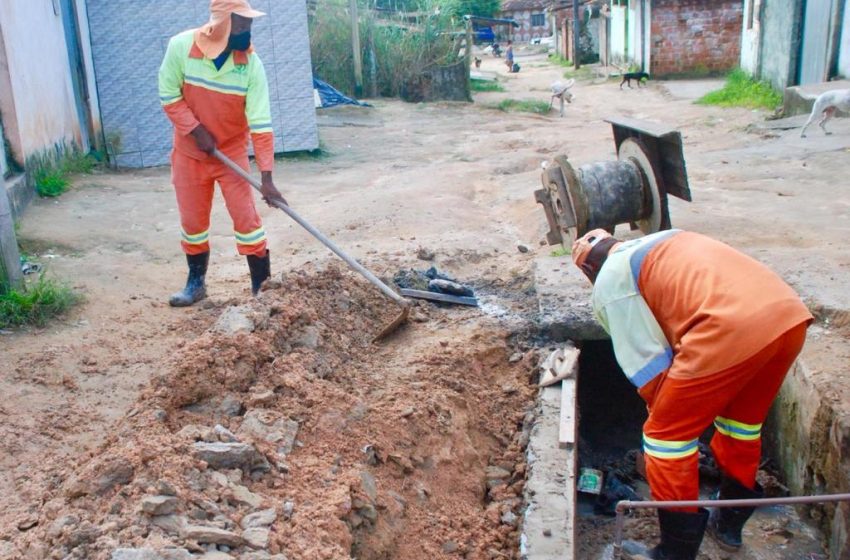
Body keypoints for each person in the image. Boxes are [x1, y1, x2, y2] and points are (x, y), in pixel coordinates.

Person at [571, 228, 812, 560]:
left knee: (664, 439)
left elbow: (649, 369)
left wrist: (669, 416)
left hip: (728, 328)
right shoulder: (665, 239)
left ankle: (674, 552)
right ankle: (727, 528)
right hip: (786, 318)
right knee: (740, 426)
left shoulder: (610, 283)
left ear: (589, 271)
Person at [158, 0, 285, 307]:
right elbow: (168, 94)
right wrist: (195, 129)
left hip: (230, 153)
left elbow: (261, 125)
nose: (248, 30)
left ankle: (261, 289)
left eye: (250, 23)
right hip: (189, 153)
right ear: (222, 24)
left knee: (247, 221)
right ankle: (195, 283)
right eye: (242, 24)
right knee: (193, 222)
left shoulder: (251, 64)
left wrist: (266, 177)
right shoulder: (181, 47)